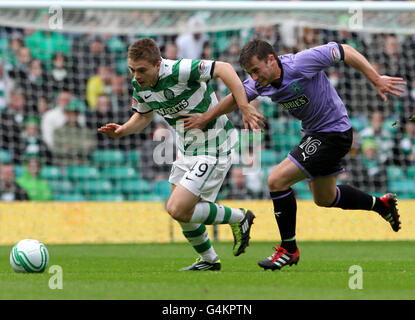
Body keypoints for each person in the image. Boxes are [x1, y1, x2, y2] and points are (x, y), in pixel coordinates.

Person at [182, 39, 405, 271]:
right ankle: (381, 205)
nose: (255, 77)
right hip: (316, 134)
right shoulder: (262, 82)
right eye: (250, 73)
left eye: (256, 70)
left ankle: (288, 249)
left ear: (271, 59)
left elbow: (344, 50)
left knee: (276, 180)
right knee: (325, 198)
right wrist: (205, 118)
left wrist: (376, 78)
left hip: (333, 133)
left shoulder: (300, 63)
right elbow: (236, 97)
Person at [98, 38, 256, 271]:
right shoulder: (140, 85)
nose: (136, 76)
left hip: (214, 147)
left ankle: (239, 217)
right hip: (186, 150)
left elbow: (224, 68)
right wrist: (122, 130)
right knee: (182, 213)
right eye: (132, 70)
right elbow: (143, 116)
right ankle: (209, 260)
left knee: (177, 208)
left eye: (141, 70)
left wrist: (243, 105)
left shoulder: (180, 70)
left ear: (158, 64)